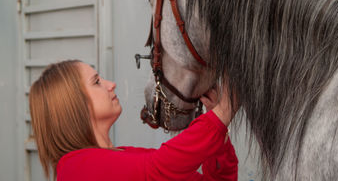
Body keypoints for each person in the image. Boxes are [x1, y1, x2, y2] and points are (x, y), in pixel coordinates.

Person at [29, 60, 238, 181]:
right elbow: (161, 167)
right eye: (97, 82)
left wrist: (219, 129)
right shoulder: (75, 169)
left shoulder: (126, 156)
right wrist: (221, 113)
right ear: (73, 104)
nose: (111, 84)